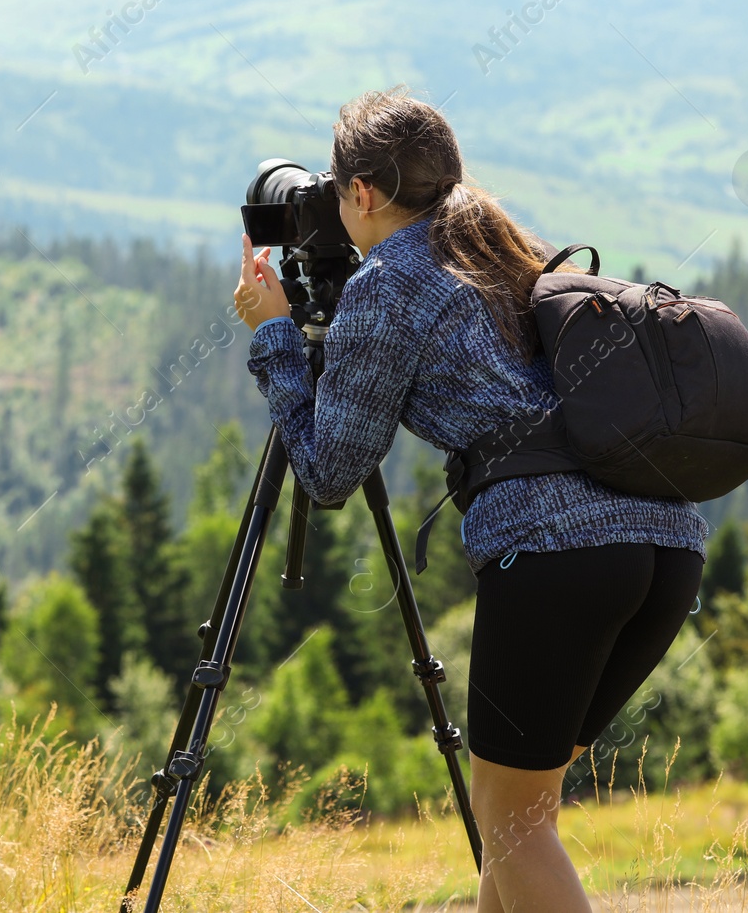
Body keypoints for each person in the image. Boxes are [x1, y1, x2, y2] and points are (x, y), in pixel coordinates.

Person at [233, 86, 707, 913]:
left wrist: (277, 332)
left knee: (514, 828)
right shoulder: (499, 245)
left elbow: (329, 472)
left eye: (338, 190)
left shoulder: (389, 282)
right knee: (516, 820)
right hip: (665, 547)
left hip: (558, 558)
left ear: (365, 194)